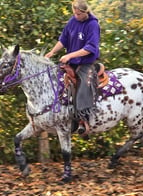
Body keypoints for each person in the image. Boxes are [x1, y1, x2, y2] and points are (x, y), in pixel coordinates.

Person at [45, 0, 100, 136]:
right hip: (71, 62)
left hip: (85, 62)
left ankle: (83, 120)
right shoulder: (72, 21)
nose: (76, 16)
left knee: (82, 84)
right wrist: (52, 52)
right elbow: (63, 40)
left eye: (78, 14)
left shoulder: (92, 25)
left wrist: (70, 55)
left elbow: (90, 48)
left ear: (85, 12)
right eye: (74, 13)